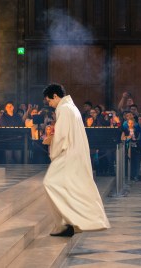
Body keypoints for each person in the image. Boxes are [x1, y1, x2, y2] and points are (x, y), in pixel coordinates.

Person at [42, 83, 110, 237]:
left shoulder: (64, 109)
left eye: (49, 101)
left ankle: (65, 224)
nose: (50, 104)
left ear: (55, 96)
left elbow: (62, 136)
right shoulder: (71, 107)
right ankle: (67, 223)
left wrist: (52, 148)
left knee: (50, 183)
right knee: (69, 187)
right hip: (75, 153)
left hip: (68, 154)